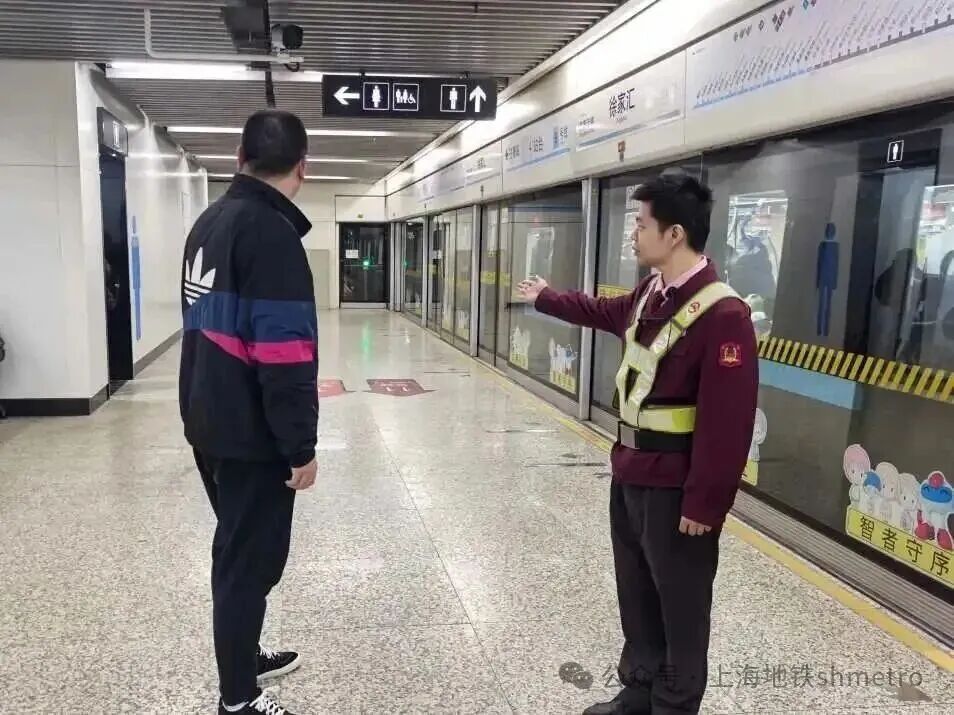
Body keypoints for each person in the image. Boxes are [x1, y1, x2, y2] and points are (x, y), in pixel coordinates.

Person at [518, 174, 758, 715]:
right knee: (638, 593)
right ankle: (640, 690)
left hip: (677, 489)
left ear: (674, 234)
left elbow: (728, 424)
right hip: (630, 472)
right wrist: (547, 298)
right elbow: (604, 313)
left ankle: (674, 704)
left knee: (681, 604)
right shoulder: (652, 293)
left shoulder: (724, 315)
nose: (633, 234)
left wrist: (705, 503)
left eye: (641, 224)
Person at [179, 109, 319, 715]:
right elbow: (284, 355)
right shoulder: (271, 234)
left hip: (210, 420)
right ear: (303, 167)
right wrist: (300, 446)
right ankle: (238, 699)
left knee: (237, 551)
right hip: (251, 435)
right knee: (248, 562)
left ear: (239, 158)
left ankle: (243, 653)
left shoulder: (209, 222)